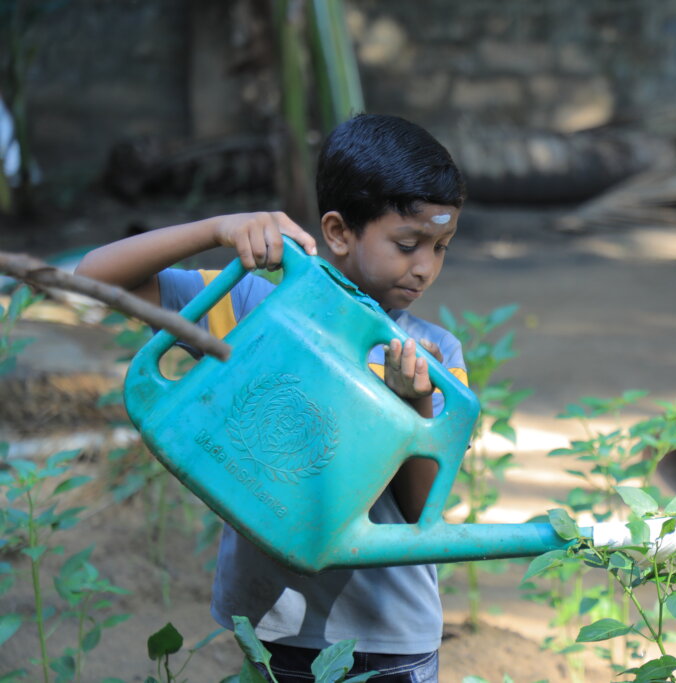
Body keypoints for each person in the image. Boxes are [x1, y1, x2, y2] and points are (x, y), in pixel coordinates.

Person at [75, 113, 469, 683]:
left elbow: (420, 509)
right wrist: (218, 229)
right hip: (272, 629)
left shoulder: (434, 355)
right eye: (408, 244)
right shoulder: (253, 307)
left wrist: (414, 406)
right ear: (338, 232)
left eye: (442, 247)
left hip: (389, 637)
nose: (426, 268)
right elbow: (93, 279)